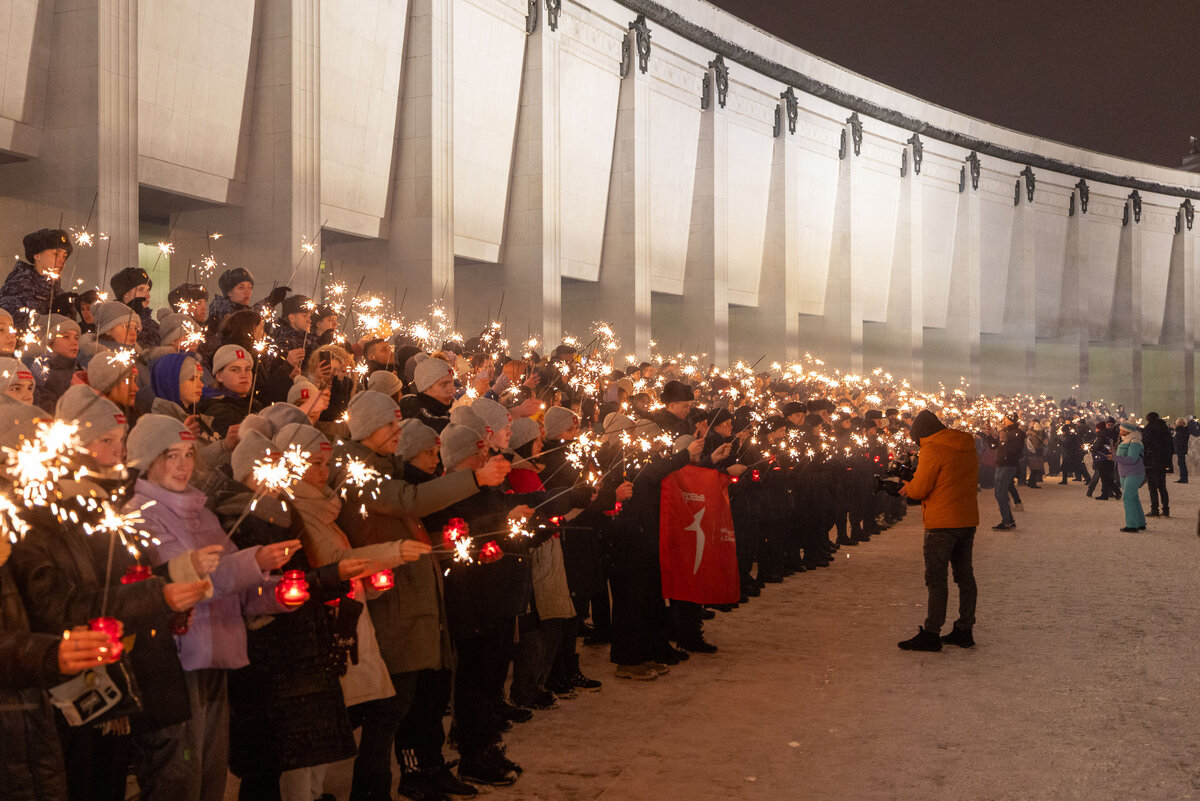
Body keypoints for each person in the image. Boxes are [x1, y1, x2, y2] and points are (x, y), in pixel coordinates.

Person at [897, 409, 980, 652]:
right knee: (965, 576)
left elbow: (920, 489)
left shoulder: (932, 449)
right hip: (966, 519)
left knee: (936, 578)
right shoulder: (965, 444)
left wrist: (907, 486)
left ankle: (932, 632)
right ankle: (965, 629)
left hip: (942, 523)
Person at [986, 414, 1024, 530]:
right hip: (1001, 465)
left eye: (1005, 419)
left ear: (1011, 421)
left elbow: (1016, 450)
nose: (1003, 421)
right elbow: (994, 446)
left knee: (1000, 493)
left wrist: (1005, 440)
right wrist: (988, 435)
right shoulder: (1005, 432)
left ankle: (1006, 521)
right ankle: (1009, 520)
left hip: (1008, 466)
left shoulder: (1018, 433)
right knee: (999, 494)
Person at [1113, 422, 1146, 533]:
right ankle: (1140, 523)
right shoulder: (1125, 441)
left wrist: (1114, 458)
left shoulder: (1135, 442)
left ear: (1129, 431)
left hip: (1135, 473)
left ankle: (1132, 525)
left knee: (1127, 497)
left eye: (1122, 430)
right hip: (1124, 473)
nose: (1120, 431)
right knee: (1133, 497)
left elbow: (1132, 459)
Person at [1140, 412, 1172, 518]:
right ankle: (1166, 510)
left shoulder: (1148, 428)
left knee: (1152, 486)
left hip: (1151, 460)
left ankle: (1155, 509)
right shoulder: (1165, 429)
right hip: (1162, 461)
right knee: (1162, 486)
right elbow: (1170, 446)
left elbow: (1144, 443)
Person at [1173, 417, 1190, 484]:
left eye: (1182, 422)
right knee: (1181, 463)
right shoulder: (1179, 430)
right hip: (1179, 448)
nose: (1180, 423)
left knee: (1181, 463)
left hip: (1181, 448)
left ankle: (1184, 478)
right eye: (1179, 422)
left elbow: (1181, 439)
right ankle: (1183, 478)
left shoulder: (1183, 430)